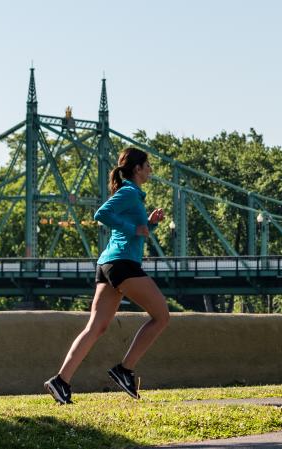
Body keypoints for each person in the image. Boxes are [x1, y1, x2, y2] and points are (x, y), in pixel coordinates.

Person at [44, 147, 171, 404]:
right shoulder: (128, 192)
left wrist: (149, 223)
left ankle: (61, 381)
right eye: (147, 165)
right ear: (137, 169)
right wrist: (134, 228)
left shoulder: (133, 196)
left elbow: (135, 231)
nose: (151, 170)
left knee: (96, 327)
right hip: (122, 264)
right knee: (162, 316)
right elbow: (101, 214)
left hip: (108, 265)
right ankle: (124, 369)